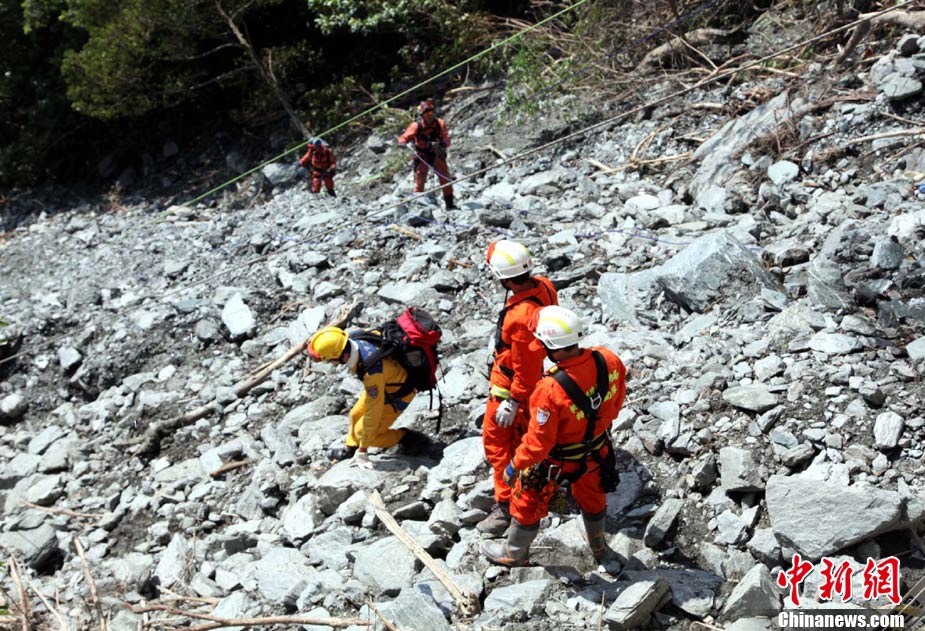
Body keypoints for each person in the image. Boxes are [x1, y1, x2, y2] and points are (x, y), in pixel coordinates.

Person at [480, 306, 627, 567]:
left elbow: (538, 444)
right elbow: (615, 405)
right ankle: (600, 549)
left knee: (527, 501)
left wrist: (514, 465)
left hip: (557, 461)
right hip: (597, 452)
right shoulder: (608, 360)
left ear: (551, 346)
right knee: (594, 498)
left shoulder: (549, 388)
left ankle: (514, 554)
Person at [477, 240, 558, 536]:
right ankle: (533, 492)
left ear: (505, 279)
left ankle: (505, 506)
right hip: (522, 380)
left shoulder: (522, 317)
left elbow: (526, 367)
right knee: (522, 442)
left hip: (511, 388)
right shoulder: (543, 286)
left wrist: (512, 401)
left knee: (499, 445)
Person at [306, 326, 430, 468]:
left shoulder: (372, 372)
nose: (331, 364)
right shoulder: (354, 339)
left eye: (330, 361)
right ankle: (351, 448)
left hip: (399, 395)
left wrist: (363, 449)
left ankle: (408, 438)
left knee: (364, 433)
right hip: (385, 385)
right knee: (355, 414)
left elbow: (373, 412)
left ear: (342, 356)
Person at [397, 100, 456, 210]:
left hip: (436, 153)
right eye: (427, 114)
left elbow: (447, 139)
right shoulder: (416, 126)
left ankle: (450, 204)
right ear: (422, 115)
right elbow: (404, 137)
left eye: (431, 113)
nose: (430, 116)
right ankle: (418, 207)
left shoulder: (439, 123)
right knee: (420, 181)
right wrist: (402, 142)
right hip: (422, 155)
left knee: (445, 178)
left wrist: (441, 144)